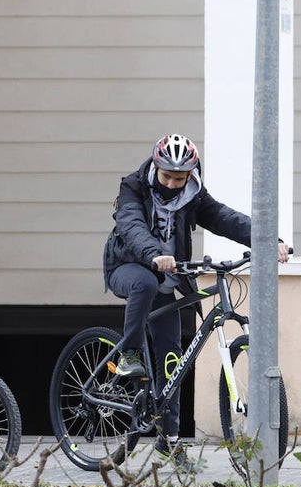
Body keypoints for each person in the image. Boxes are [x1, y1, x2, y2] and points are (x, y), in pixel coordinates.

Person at [102, 133, 290, 466]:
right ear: (156, 168)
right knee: (145, 281)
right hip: (130, 267)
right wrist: (155, 253)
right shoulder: (132, 187)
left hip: (169, 278)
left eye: (180, 178)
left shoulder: (193, 194)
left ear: (191, 173)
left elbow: (223, 218)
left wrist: (266, 239)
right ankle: (129, 353)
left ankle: (169, 441)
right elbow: (131, 227)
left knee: (171, 358)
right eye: (167, 177)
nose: (174, 184)